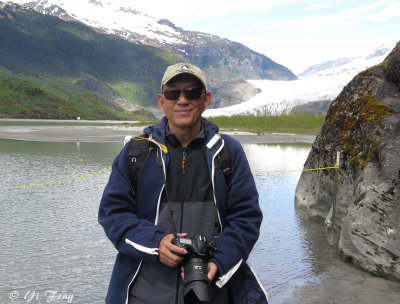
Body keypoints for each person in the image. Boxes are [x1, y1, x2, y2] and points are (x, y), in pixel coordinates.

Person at [98, 63, 268, 304]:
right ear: (161, 101)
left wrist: (218, 262)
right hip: (142, 294)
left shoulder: (228, 153)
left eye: (192, 92)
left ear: (206, 100)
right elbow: (112, 214)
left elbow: (246, 219)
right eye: (173, 93)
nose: (182, 100)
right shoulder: (136, 153)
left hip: (211, 293)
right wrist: (156, 243)